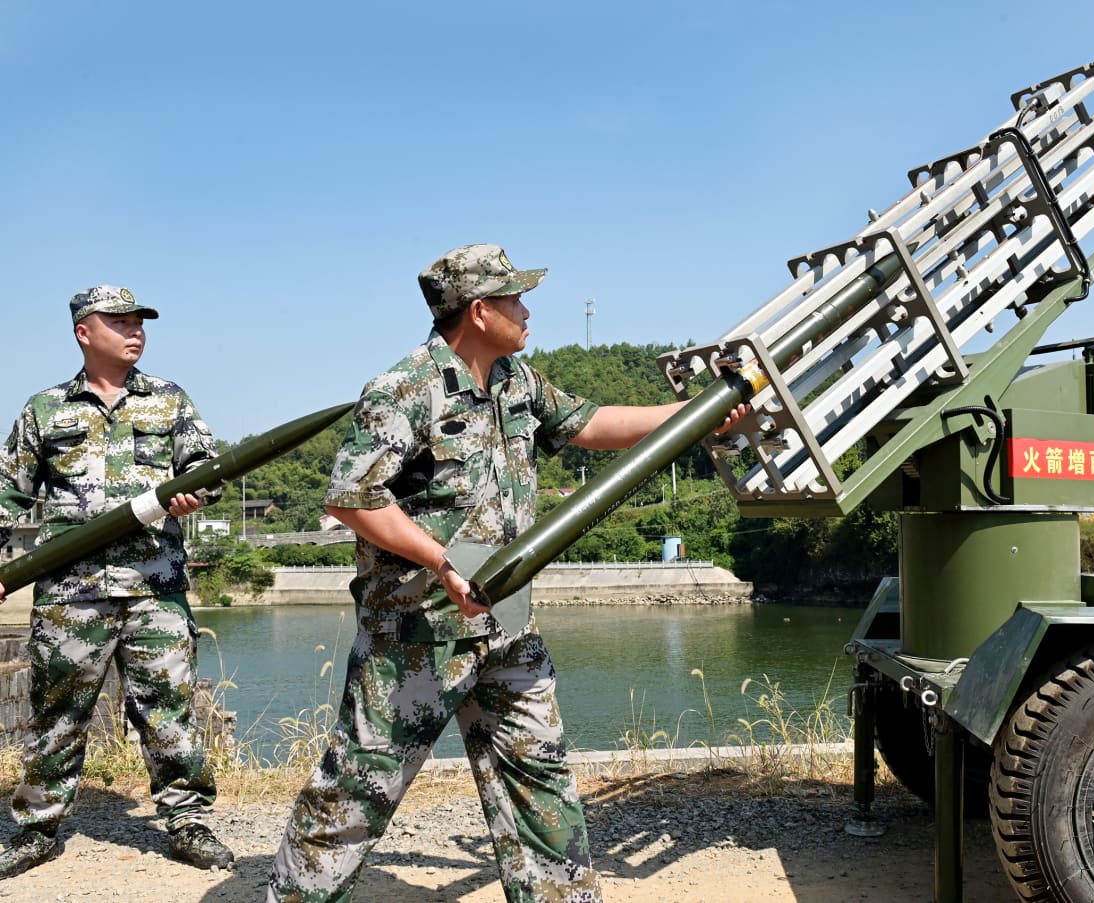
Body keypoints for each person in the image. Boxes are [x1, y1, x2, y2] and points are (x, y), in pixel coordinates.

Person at [268, 244, 747, 902]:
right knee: (354, 795)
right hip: (416, 637)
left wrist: (695, 416)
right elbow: (352, 498)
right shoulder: (404, 389)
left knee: (543, 793)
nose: (527, 310)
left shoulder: (518, 380)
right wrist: (441, 562)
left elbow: (592, 423)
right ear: (480, 309)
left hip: (508, 625)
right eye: (515, 298)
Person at [0, 286, 234, 878]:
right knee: (58, 711)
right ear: (84, 332)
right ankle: (38, 827)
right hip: (70, 592)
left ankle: (186, 819)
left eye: (140, 322)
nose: (135, 331)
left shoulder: (169, 401)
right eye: (120, 322)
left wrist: (194, 494)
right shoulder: (44, 410)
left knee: (169, 709)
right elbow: (7, 493)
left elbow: (210, 471)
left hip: (155, 586)